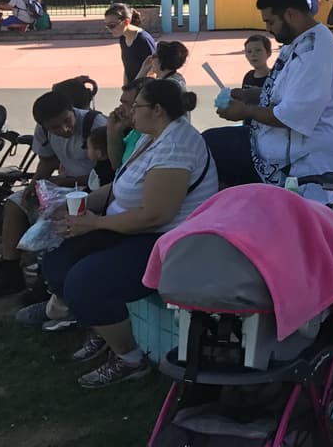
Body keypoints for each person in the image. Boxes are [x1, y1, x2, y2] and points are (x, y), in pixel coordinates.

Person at [36, 79, 218, 387]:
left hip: (164, 242)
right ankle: (100, 325)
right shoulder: (151, 136)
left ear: (157, 110)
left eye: (134, 106)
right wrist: (71, 205)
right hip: (130, 228)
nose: (127, 110)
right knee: (56, 261)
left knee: (84, 283)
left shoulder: (175, 147)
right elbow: (121, 187)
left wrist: (94, 223)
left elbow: (155, 216)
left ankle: (129, 358)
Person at [212, 0, 333, 203]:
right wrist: (252, 94)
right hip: (276, 155)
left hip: (304, 169)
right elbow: (286, 90)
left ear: (290, 14)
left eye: (271, 21)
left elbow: (291, 115)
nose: (269, 29)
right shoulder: (297, 40)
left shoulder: (315, 54)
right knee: (210, 145)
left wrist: (245, 111)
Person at [0, 91, 104, 303]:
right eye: (55, 128)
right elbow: (48, 161)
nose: (64, 129)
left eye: (67, 121)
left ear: (72, 110)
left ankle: (47, 281)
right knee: (14, 204)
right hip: (64, 186)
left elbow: (110, 172)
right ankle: (10, 272)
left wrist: (63, 181)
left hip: (94, 188)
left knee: (52, 215)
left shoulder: (95, 124)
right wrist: (34, 186)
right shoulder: (43, 130)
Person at [105, 3, 157, 84]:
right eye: (107, 26)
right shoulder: (123, 38)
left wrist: (134, 90)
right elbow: (127, 68)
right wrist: (126, 89)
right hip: (132, 88)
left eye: (112, 25)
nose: (109, 29)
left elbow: (152, 72)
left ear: (126, 21)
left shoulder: (143, 40)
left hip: (145, 89)